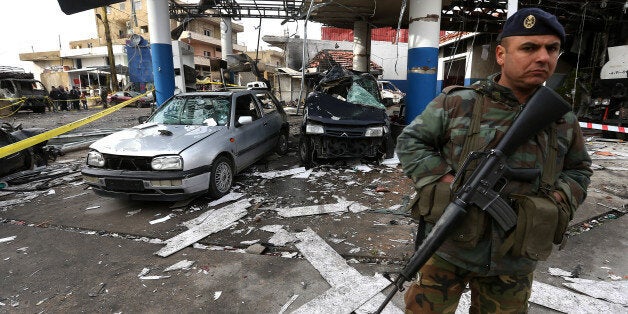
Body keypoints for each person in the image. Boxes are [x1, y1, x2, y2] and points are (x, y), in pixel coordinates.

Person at [396, 8, 592, 313]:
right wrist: (447, 180)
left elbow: (579, 169)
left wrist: (558, 198)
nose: (543, 57)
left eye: (551, 49)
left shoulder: (561, 119)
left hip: (514, 258)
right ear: (501, 54)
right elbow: (411, 142)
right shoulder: (458, 101)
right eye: (529, 47)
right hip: (448, 246)